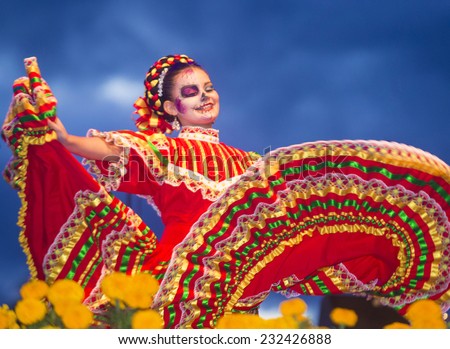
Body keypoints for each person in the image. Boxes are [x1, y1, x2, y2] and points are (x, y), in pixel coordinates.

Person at [3, 55, 450, 328]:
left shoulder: (254, 165)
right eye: (191, 92)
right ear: (169, 107)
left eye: (210, 88)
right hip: (178, 285)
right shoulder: (161, 149)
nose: (205, 97)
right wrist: (64, 139)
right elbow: (109, 149)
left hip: (240, 297)